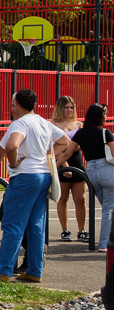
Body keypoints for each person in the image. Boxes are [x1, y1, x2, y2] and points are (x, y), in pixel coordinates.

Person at [0, 89, 69, 283]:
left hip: (24, 176)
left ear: (17, 104)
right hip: (43, 175)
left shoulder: (19, 124)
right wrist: (47, 155)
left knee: (13, 224)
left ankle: (4, 270)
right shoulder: (44, 122)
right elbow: (65, 141)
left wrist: (13, 164)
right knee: (36, 225)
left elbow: (11, 147)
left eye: (13, 103)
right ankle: (35, 271)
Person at [56, 103, 114, 251]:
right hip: (106, 170)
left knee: (107, 206)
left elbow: (67, 153)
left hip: (91, 172)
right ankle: (104, 244)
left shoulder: (81, 133)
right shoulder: (105, 133)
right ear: (100, 117)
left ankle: (104, 241)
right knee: (108, 208)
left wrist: (53, 168)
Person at [52, 96, 87, 242]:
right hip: (61, 164)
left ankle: (82, 230)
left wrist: (68, 148)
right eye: (66, 107)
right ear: (60, 108)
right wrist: (65, 165)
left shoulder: (79, 125)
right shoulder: (54, 124)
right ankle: (65, 230)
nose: (69, 110)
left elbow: (83, 145)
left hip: (78, 163)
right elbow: (54, 148)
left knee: (81, 199)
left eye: (71, 107)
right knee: (63, 199)